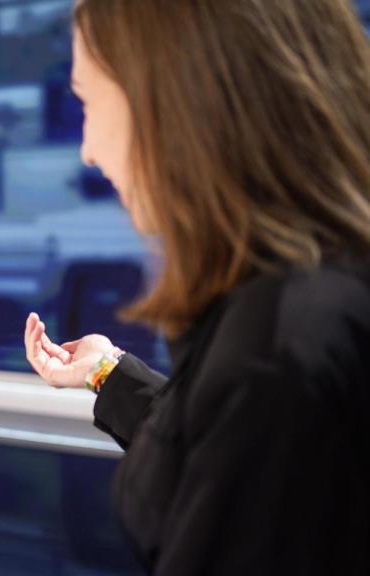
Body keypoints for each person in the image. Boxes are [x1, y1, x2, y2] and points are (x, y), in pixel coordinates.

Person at [24, 1, 370, 574]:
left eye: (89, 100)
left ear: (175, 101)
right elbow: (226, 451)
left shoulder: (277, 351)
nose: (88, 148)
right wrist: (106, 371)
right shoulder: (313, 301)